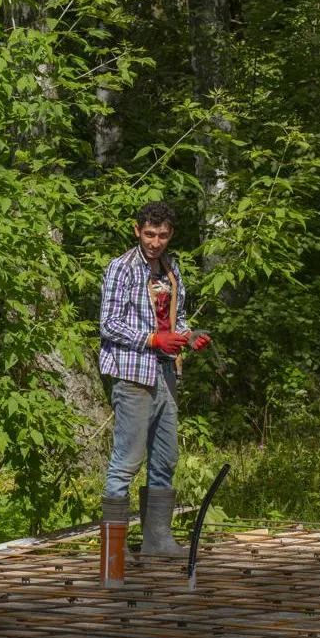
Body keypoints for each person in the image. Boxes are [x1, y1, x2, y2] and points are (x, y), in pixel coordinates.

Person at [99, 201, 211, 555]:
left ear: (170, 234)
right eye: (149, 234)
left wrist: (189, 335)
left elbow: (175, 318)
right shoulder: (122, 268)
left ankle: (157, 541)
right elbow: (109, 324)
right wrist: (152, 339)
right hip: (133, 374)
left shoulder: (171, 269)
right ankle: (113, 550)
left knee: (165, 459)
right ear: (137, 231)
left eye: (162, 235)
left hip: (167, 372)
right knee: (126, 463)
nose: (155, 241)